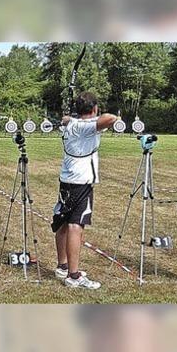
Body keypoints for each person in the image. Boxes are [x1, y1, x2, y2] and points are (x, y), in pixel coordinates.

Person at [52, 92, 118, 289]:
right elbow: (112, 118)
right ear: (95, 108)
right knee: (75, 225)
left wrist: (71, 118)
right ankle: (73, 275)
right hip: (81, 182)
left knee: (63, 223)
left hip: (67, 180)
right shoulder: (85, 126)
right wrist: (87, 117)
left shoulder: (72, 124)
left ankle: (63, 266)